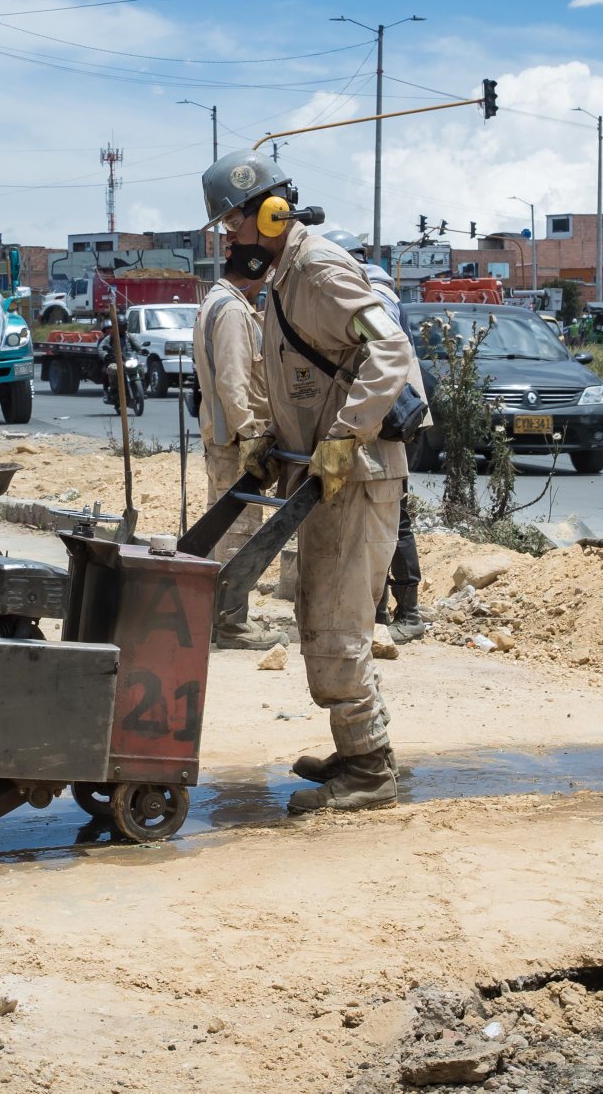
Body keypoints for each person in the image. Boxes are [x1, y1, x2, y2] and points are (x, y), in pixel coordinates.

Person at [201, 151, 413, 814]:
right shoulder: (282, 280)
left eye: (230, 224)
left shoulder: (318, 269)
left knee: (337, 621)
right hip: (323, 479)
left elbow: (392, 350)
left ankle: (370, 769)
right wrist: (266, 440)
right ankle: (357, 748)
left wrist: (347, 435)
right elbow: (293, 382)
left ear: (264, 212)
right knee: (319, 614)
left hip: (359, 473)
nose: (228, 238)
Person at [324, 228, 424, 645]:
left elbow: (382, 355)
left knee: (392, 517)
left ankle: (409, 611)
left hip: (390, 417)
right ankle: (378, 610)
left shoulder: (374, 294)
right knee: (378, 516)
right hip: (379, 416)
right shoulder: (371, 287)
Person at [192, 269, 279, 650]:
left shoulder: (218, 302)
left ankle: (216, 616)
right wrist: (250, 434)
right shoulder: (232, 311)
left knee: (221, 528)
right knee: (240, 533)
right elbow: (233, 381)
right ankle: (231, 622)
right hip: (235, 441)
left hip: (223, 438)